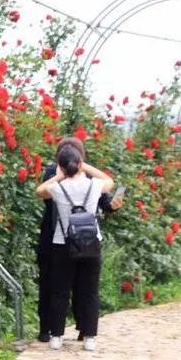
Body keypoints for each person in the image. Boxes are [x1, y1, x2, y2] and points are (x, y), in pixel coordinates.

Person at [35, 139, 122, 342]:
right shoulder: (56, 173)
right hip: (56, 238)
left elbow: (105, 203)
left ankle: (80, 327)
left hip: (62, 238)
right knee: (56, 285)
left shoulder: (73, 178)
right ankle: (47, 328)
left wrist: (114, 205)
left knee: (74, 286)